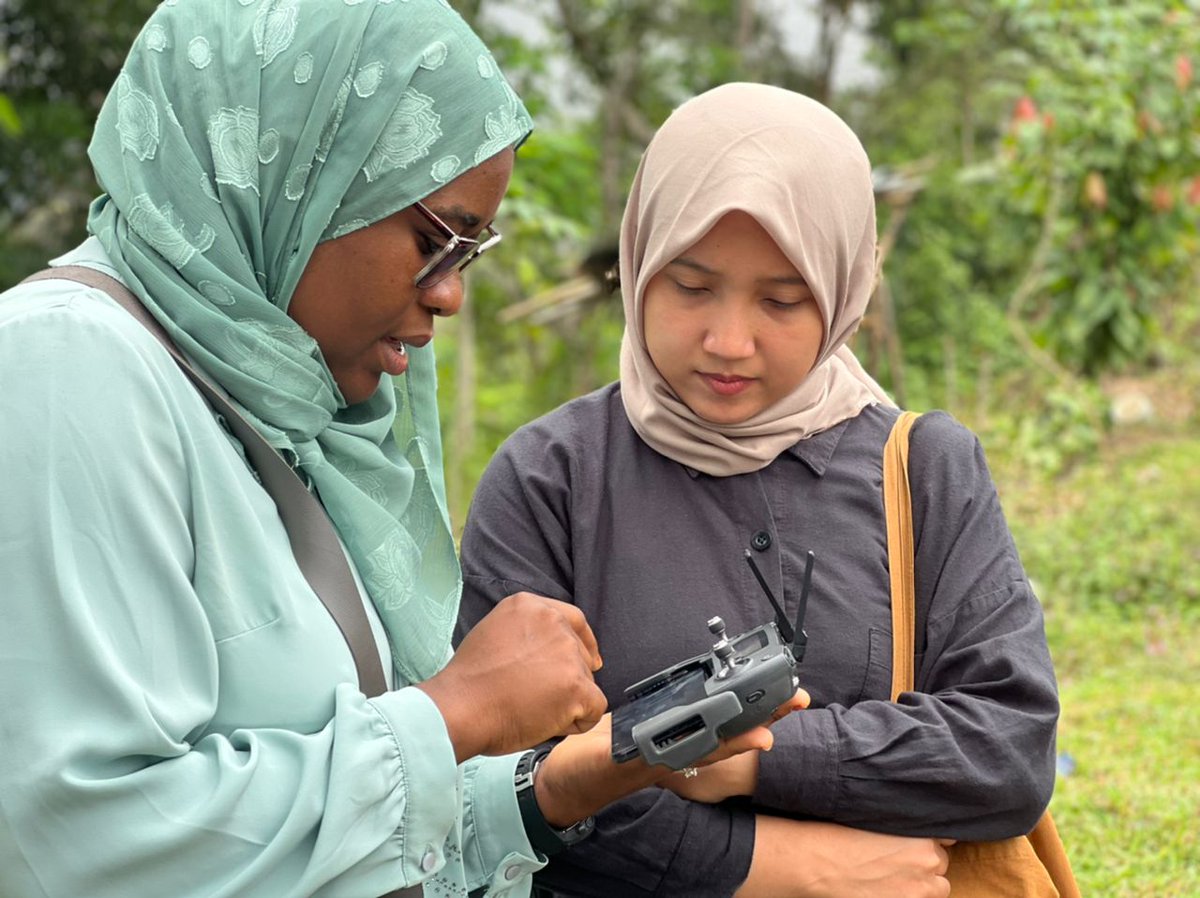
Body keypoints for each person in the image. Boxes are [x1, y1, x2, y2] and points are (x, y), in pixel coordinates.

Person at [0, 7, 802, 898]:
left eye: (469, 253)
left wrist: (571, 781)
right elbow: (74, 842)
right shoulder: (66, 365)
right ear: (298, 180)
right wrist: (452, 713)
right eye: (433, 241)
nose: (450, 294)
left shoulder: (276, 403)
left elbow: (342, 840)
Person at [458, 82, 1061, 898]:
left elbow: (1008, 750)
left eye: (781, 299)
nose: (728, 341)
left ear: (841, 293)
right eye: (690, 286)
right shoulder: (549, 480)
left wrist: (748, 765)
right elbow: (502, 783)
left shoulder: (927, 470)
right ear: (639, 264)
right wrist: (771, 865)